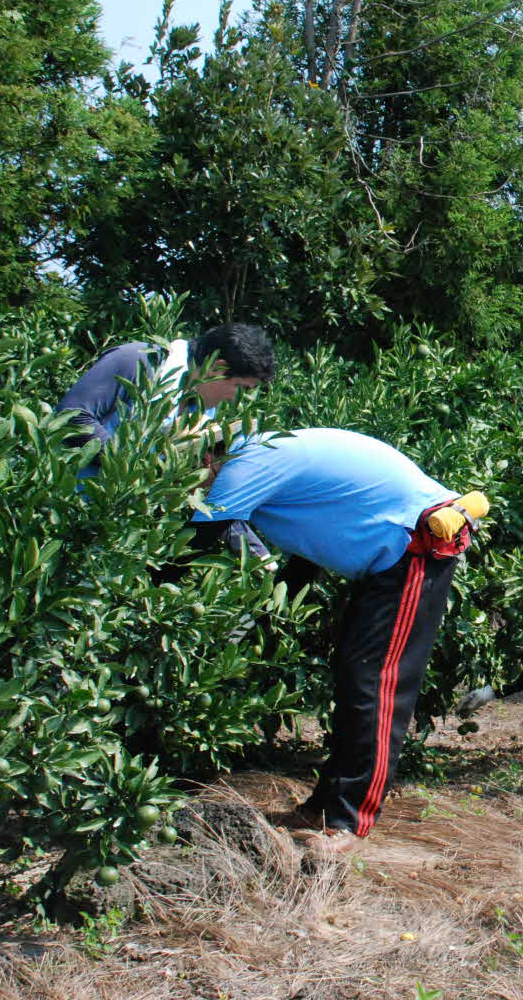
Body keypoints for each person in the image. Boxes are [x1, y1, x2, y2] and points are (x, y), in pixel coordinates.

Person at [191, 427, 488, 854]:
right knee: (355, 676)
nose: (192, 488)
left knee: (377, 684)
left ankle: (348, 822)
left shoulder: (244, 466)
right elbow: (307, 546)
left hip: (415, 544)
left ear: (205, 459)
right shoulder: (263, 451)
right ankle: (324, 809)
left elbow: (196, 537)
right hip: (392, 552)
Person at [56, 323, 274, 474]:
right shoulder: (138, 360)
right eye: (241, 388)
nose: (239, 399)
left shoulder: (200, 406)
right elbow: (73, 414)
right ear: (217, 368)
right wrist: (133, 469)